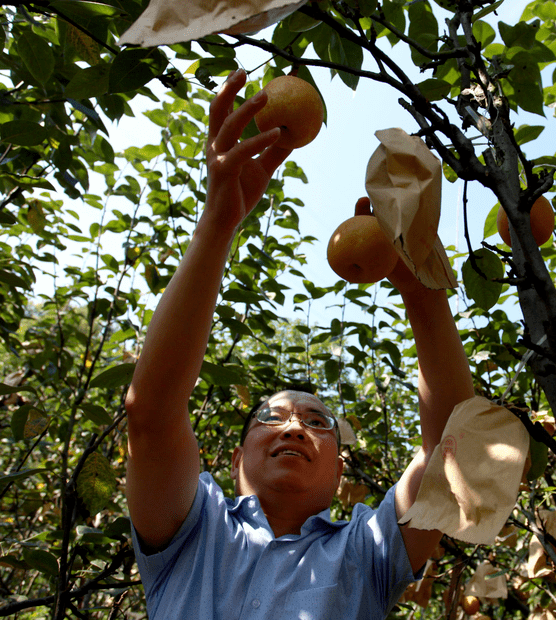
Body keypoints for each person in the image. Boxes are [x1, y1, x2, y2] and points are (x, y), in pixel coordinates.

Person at [124, 68, 475, 619]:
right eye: (273, 417)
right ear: (235, 459)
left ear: (339, 472)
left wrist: (421, 289)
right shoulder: (192, 531)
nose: (294, 425)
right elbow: (152, 412)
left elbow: (451, 454)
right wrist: (217, 224)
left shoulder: (368, 551)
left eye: (317, 423)